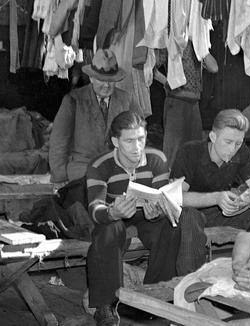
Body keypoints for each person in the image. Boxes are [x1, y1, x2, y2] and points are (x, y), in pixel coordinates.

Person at [85, 111, 205, 326]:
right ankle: (106, 306)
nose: (137, 147)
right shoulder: (99, 165)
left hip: (146, 217)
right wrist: (113, 212)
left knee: (172, 226)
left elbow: (162, 196)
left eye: (141, 139)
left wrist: (157, 211)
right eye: (129, 141)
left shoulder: (156, 159)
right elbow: (94, 207)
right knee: (108, 229)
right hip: (115, 217)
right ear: (115, 141)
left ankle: (153, 296)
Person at [48, 49, 139, 239]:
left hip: (117, 172)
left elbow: (140, 137)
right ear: (91, 78)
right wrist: (59, 177)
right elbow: (58, 142)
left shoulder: (127, 99)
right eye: (101, 79)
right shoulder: (73, 100)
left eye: (110, 80)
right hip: (82, 173)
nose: (106, 84)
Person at [171, 109, 250, 243]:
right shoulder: (190, 152)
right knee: (190, 216)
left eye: (238, 143)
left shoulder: (241, 152)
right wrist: (216, 198)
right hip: (192, 215)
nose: (233, 149)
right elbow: (176, 197)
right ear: (213, 137)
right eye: (228, 142)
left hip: (222, 213)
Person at [153, 42, 219, 166]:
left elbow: (214, 68)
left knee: (195, 151)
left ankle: (191, 184)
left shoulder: (198, 44)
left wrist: (201, 46)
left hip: (194, 104)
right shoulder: (171, 39)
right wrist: (167, 83)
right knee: (174, 154)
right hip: (176, 101)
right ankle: (171, 184)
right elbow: (151, 66)